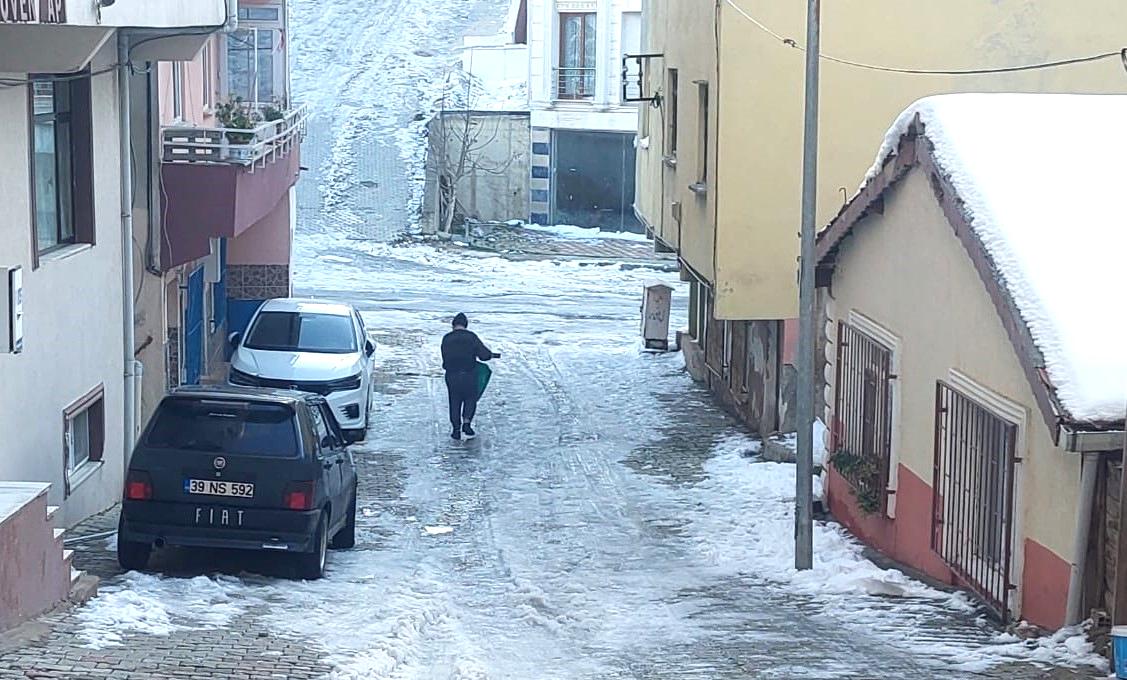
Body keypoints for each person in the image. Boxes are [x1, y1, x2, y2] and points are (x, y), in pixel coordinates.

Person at [441, 313, 498, 440]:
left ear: (453, 325)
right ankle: (467, 423)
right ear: (466, 324)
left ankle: (456, 429)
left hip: (452, 375)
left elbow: (445, 357)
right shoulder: (471, 337)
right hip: (469, 374)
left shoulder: (446, 338)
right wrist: (491, 355)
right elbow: (484, 355)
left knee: (454, 400)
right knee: (470, 398)